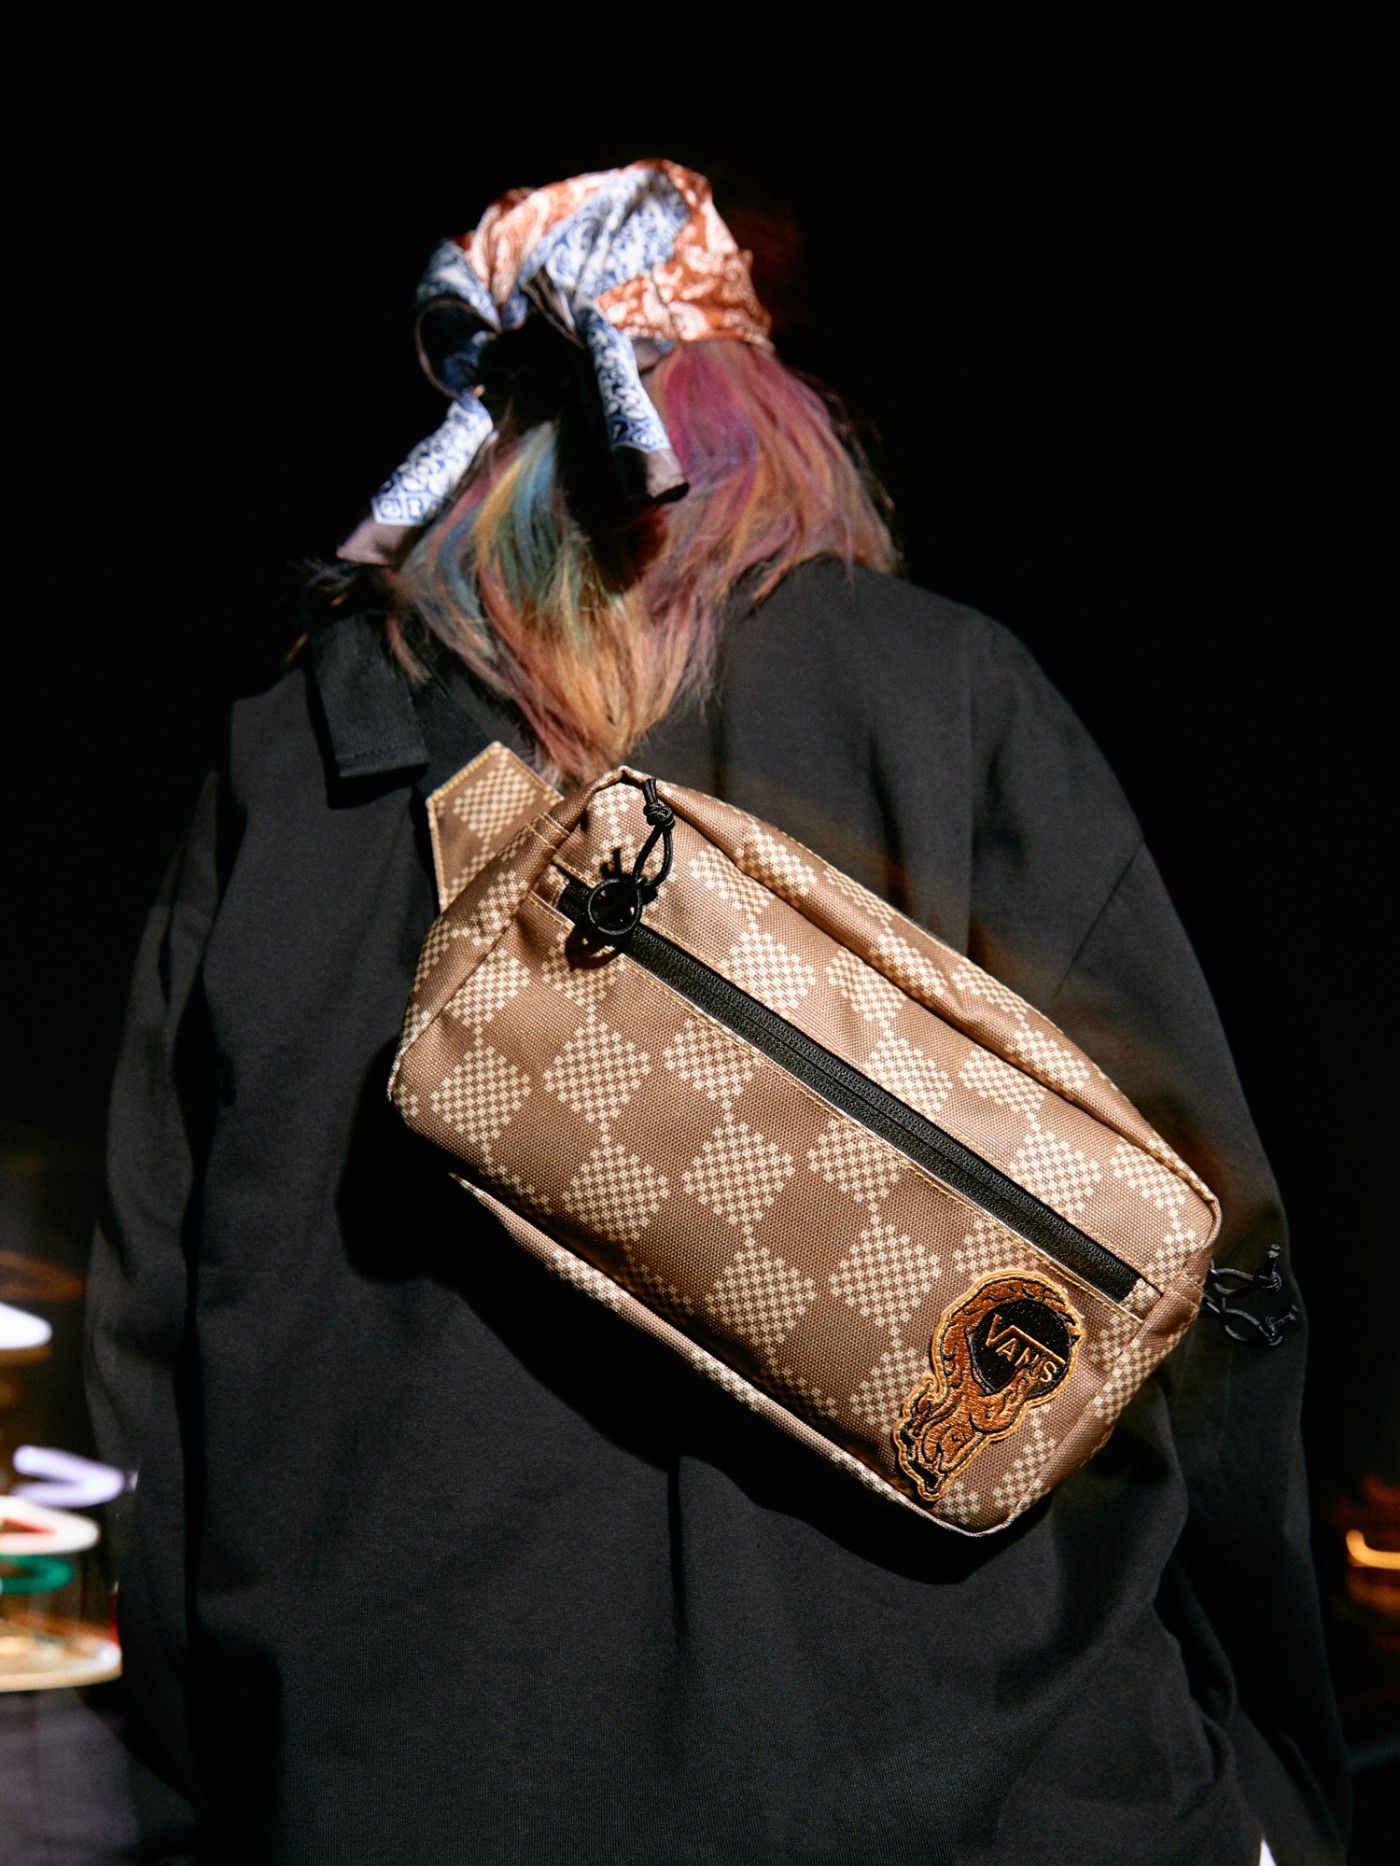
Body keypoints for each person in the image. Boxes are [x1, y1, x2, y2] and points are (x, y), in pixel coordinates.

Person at [85, 159, 1348, 1864]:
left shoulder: (294, 770)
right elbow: (1219, 1280)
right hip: (1002, 1798)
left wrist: (228, 1788)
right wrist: (1266, 1769)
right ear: (765, 408)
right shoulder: (945, 698)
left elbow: (153, 1361)